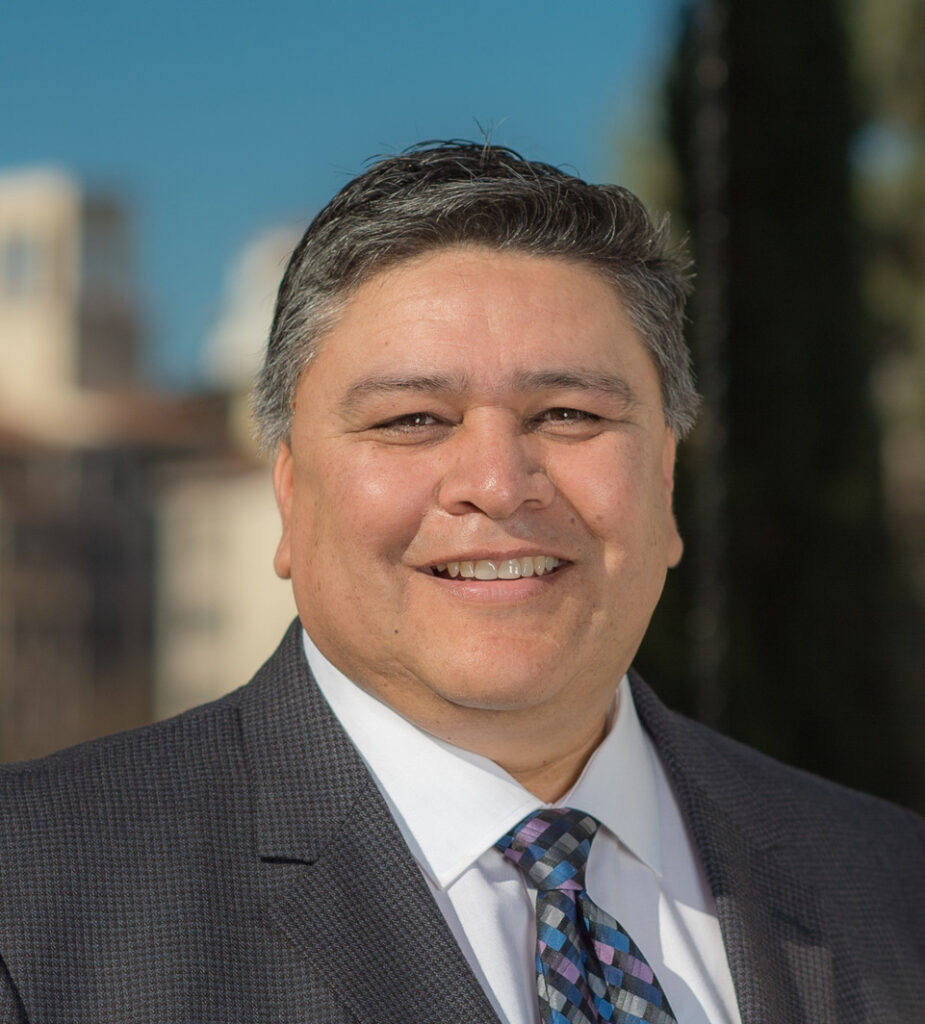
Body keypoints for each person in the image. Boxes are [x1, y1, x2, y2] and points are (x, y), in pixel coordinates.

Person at [0, 142, 922, 1024]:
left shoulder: (890, 883)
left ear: (667, 486)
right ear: (289, 494)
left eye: (568, 413)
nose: (495, 483)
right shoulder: (31, 901)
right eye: (412, 419)